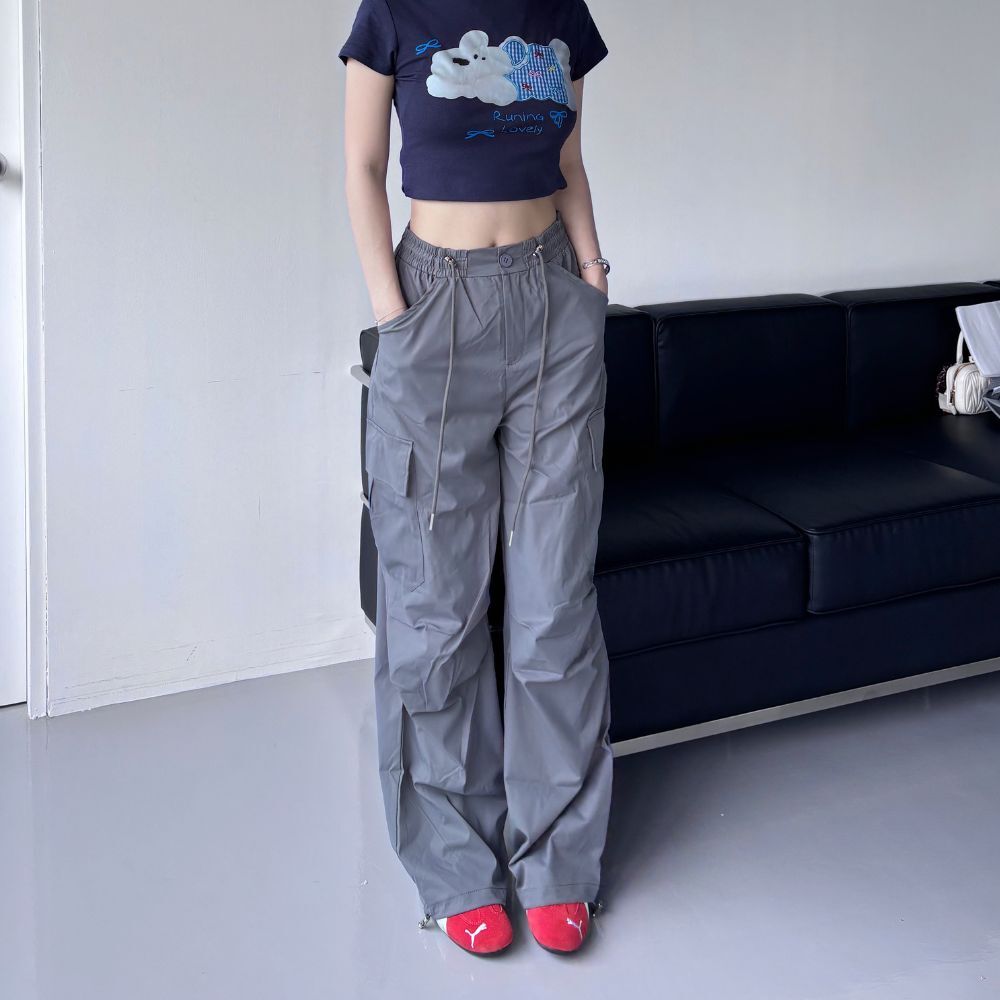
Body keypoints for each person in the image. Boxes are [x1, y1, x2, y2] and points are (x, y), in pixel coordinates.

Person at [340, 0, 613, 957]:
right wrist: (395, 314)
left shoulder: (560, 11)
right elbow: (362, 167)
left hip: (554, 303)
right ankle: (457, 864)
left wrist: (592, 272)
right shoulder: (392, 13)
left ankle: (558, 860)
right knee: (435, 600)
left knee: (555, 595)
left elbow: (567, 155)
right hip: (434, 303)